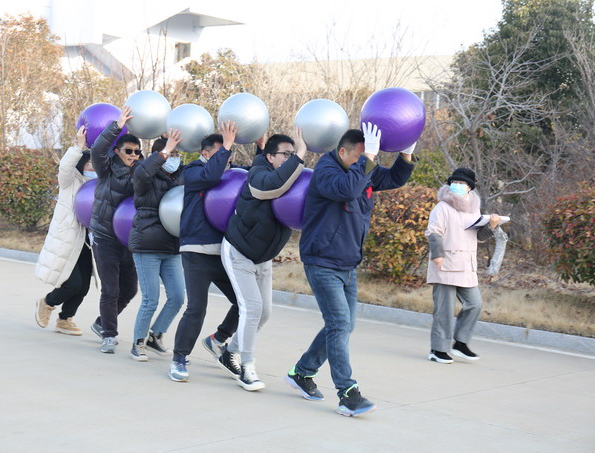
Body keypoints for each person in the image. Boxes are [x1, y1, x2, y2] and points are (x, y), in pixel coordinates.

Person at [285, 123, 415, 417]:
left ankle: (302, 372)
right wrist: (367, 159)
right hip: (322, 261)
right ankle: (347, 393)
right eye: (359, 156)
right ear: (342, 151)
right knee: (340, 324)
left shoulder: (360, 168)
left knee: (342, 325)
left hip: (347, 264)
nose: (363, 162)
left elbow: (394, 178)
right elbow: (348, 189)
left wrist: (406, 154)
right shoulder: (327, 171)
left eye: (365, 157)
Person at [219, 129, 307, 391]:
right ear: (270, 157)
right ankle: (247, 367)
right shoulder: (257, 176)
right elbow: (272, 186)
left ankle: (229, 353)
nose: (290, 158)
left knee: (265, 313)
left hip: (263, 256)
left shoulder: (291, 179)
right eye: (286, 154)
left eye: (292, 154)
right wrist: (301, 154)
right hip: (239, 252)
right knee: (252, 309)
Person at [168, 121, 241, 382]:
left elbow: (255, 177)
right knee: (197, 308)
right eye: (221, 153)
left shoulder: (228, 174)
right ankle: (179, 358)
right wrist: (227, 146)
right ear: (206, 153)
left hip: (223, 252)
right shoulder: (194, 171)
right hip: (197, 250)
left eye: (228, 153)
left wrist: (262, 148)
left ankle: (218, 339)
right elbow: (210, 176)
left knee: (245, 303)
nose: (227, 158)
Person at [425, 168, 500, 364]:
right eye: (454, 182)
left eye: (461, 183)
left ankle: (460, 342)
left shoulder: (474, 209)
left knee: (475, 304)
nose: (457, 186)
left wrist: (491, 226)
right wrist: (437, 255)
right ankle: (437, 350)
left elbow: (479, 236)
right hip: (445, 264)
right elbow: (433, 232)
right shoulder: (442, 207)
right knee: (444, 310)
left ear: (470, 188)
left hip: (467, 266)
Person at [128, 130, 186, 362]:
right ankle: (138, 342)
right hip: (147, 245)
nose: (174, 158)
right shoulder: (143, 176)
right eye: (171, 154)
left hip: (172, 247)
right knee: (150, 299)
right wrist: (164, 151)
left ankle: (156, 335)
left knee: (178, 297)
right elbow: (143, 172)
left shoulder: (181, 176)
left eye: (177, 154)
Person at [89, 106, 142, 353]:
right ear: (118, 151)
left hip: (128, 240)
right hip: (105, 237)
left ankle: (101, 323)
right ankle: (109, 335)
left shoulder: (141, 172)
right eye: (128, 151)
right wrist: (117, 126)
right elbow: (97, 149)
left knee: (130, 289)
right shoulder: (107, 168)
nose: (133, 155)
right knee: (110, 289)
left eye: (137, 152)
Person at [34, 125, 96, 335]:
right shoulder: (70, 182)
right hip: (69, 239)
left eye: (95, 165)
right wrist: (79, 147)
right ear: (81, 165)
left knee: (84, 287)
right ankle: (47, 303)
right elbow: (65, 167)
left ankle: (65, 320)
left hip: (88, 241)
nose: (93, 168)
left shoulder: (98, 184)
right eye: (89, 165)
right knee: (72, 284)